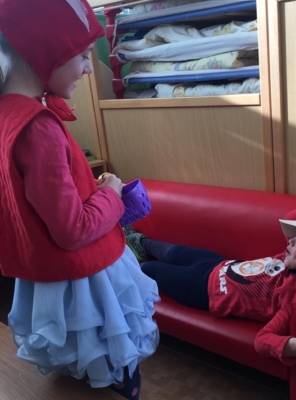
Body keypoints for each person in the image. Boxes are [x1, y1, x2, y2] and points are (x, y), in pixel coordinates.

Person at [0, 1, 159, 399]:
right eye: (84, 55)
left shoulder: (8, 114)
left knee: (79, 357)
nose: (89, 68)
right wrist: (110, 194)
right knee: (113, 355)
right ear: (48, 49)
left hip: (49, 276)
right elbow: (72, 230)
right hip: (85, 276)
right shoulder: (37, 127)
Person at [124, 200, 296, 365]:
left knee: (151, 269)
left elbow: (263, 340)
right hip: (220, 264)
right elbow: (292, 217)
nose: (291, 241)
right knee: (175, 251)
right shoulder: (293, 259)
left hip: (203, 290)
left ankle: (125, 264)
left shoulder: (293, 301)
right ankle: (140, 242)